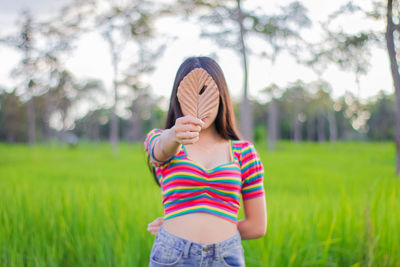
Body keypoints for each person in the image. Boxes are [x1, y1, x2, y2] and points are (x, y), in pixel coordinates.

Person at [143, 56, 267, 266]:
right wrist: (174, 135)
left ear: (221, 97)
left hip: (226, 257)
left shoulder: (243, 152)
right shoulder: (164, 140)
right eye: (190, 94)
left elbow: (257, 226)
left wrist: (215, 227)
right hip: (173, 254)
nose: (200, 103)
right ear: (178, 98)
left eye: (207, 93)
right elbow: (160, 151)